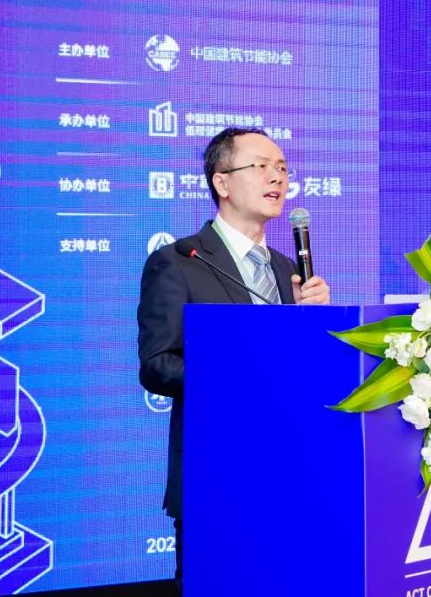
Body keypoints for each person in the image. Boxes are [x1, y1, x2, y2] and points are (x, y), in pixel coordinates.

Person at [137, 128, 330, 593]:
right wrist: (241, 379)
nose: (277, 177)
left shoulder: (287, 269)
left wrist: (315, 326)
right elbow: (157, 364)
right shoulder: (179, 261)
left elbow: (296, 372)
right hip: (217, 475)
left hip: (289, 471)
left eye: (282, 168)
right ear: (221, 183)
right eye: (260, 166)